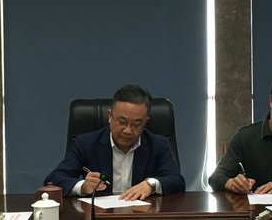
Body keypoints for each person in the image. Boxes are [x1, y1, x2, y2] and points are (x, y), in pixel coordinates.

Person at [45, 84, 185, 201]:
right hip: (99, 218)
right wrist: (82, 186)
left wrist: (151, 185)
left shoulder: (157, 144)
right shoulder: (87, 143)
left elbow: (177, 180)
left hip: (142, 217)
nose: (128, 130)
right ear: (110, 116)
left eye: (136, 124)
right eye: (122, 122)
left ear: (145, 121)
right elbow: (53, 180)